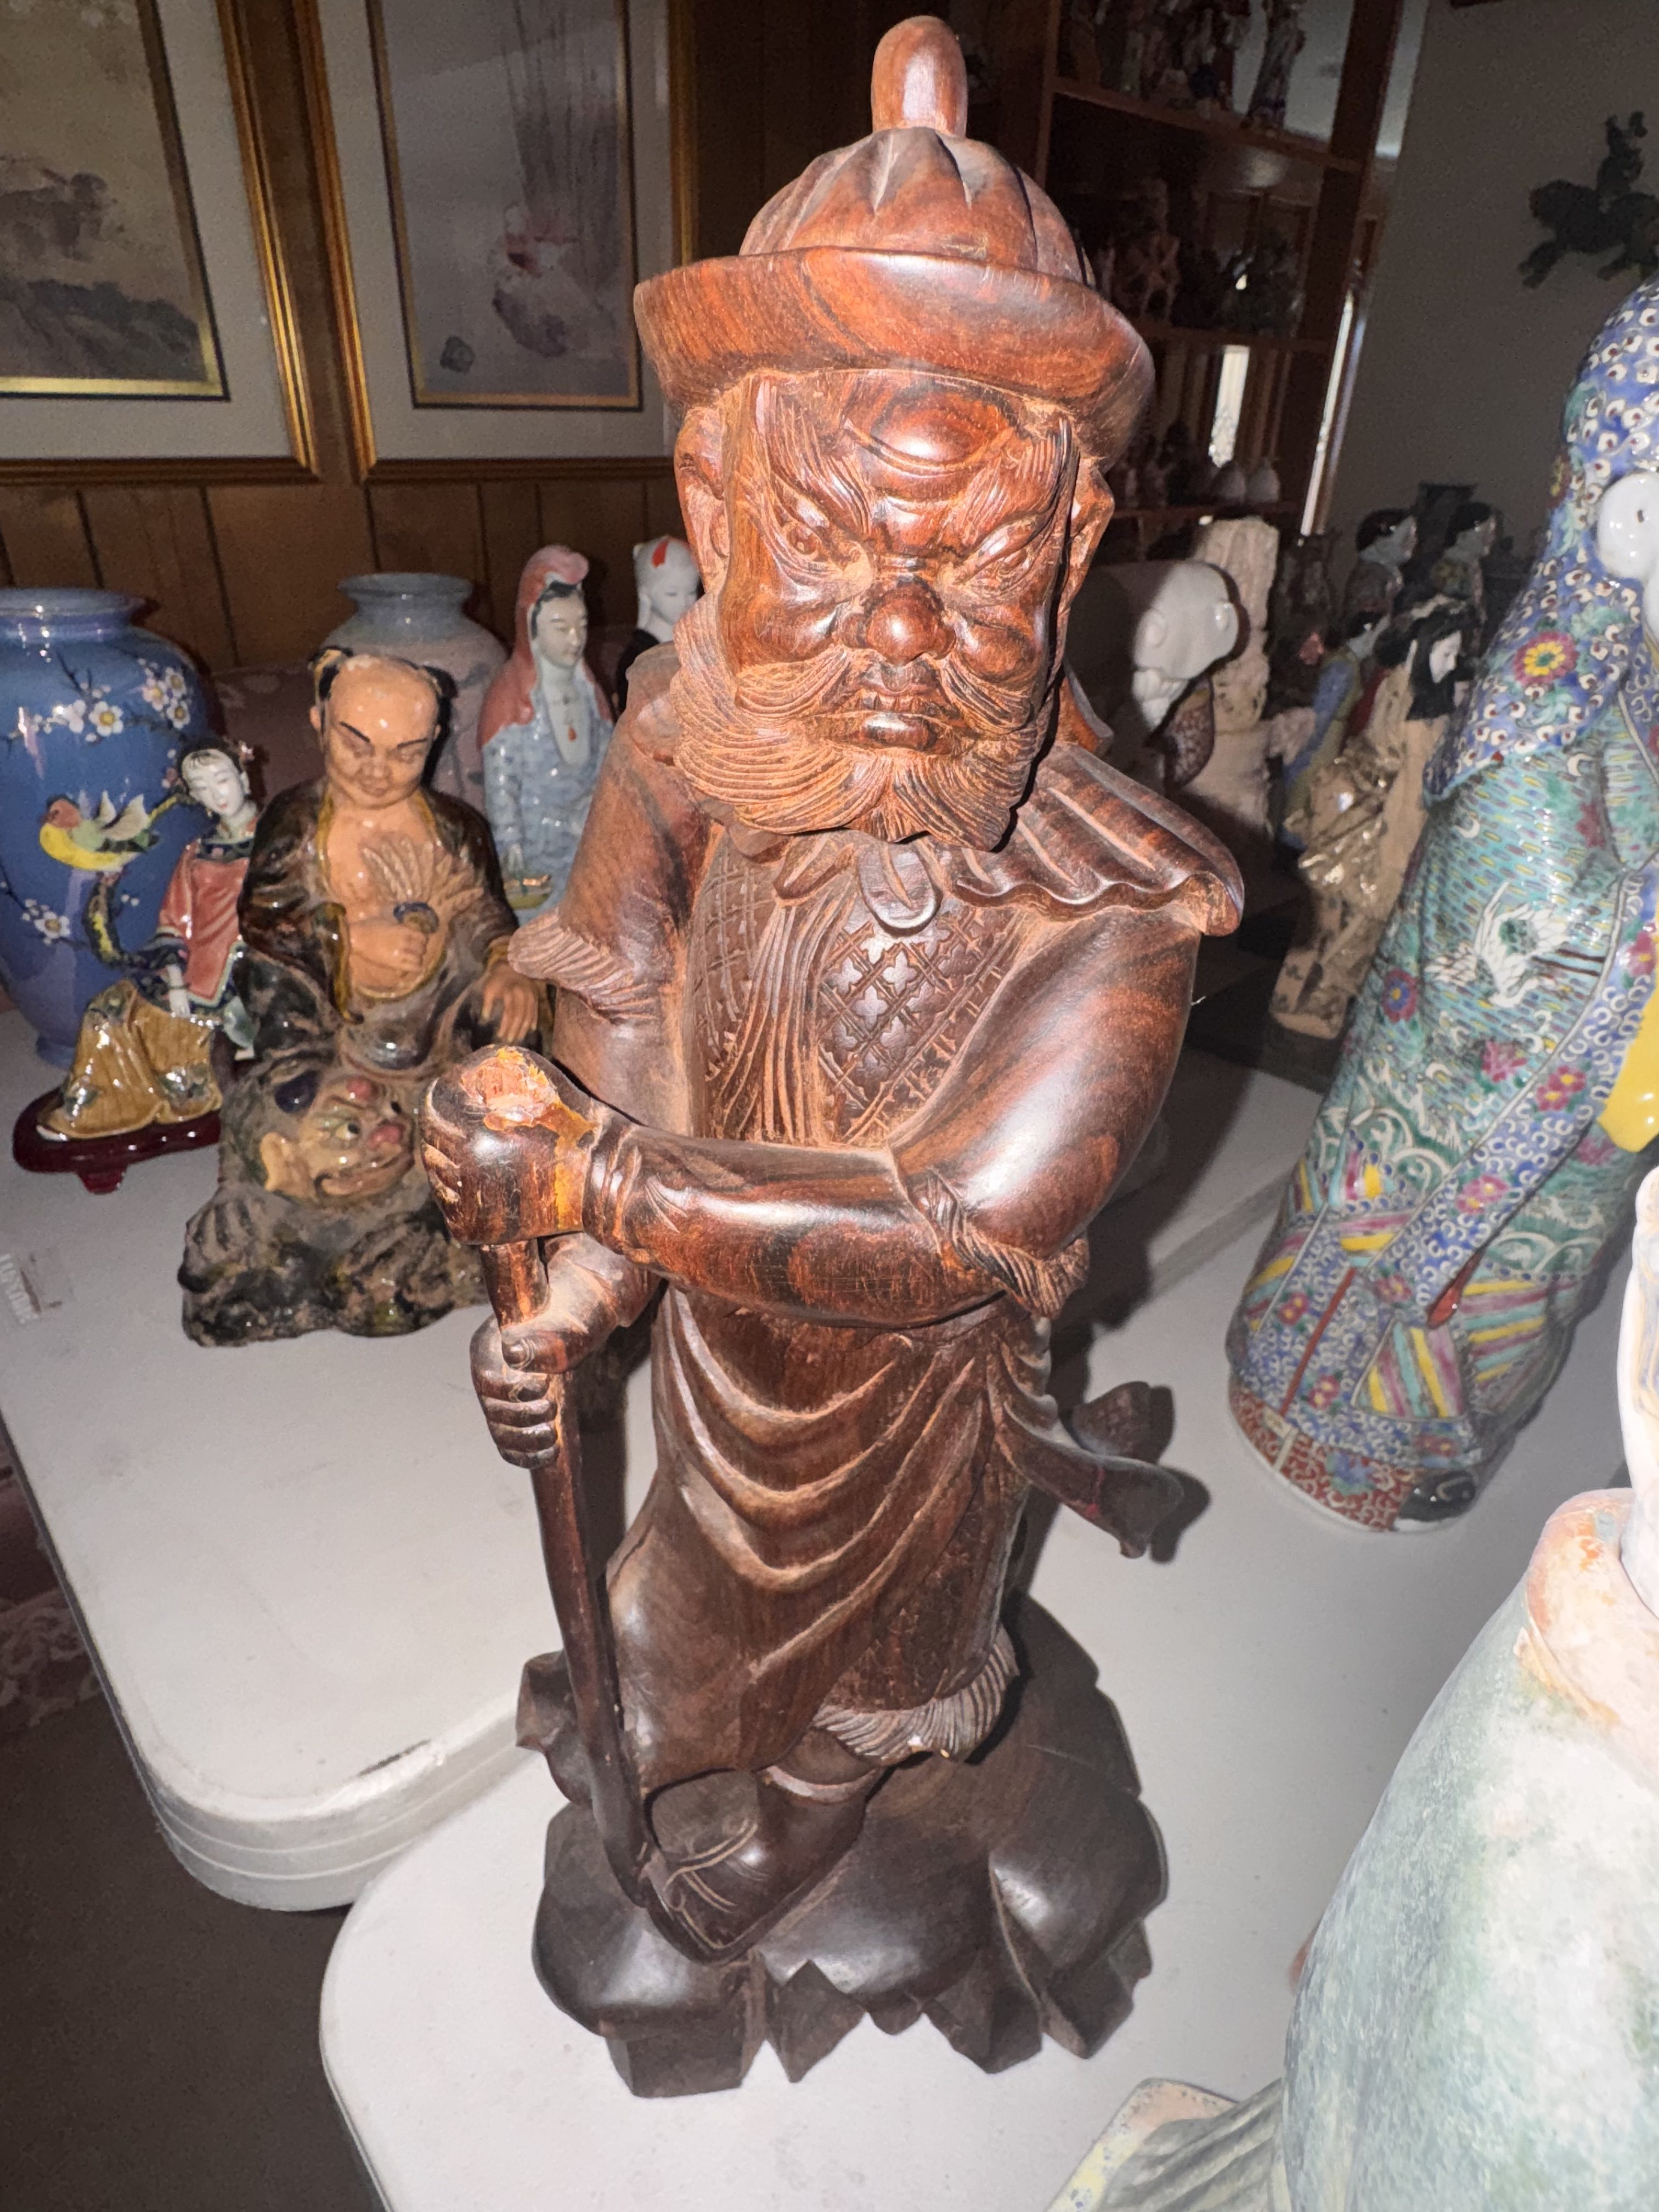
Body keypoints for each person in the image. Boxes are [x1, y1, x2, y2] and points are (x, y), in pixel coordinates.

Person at [427, 23, 1242, 1965]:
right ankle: (707, 1721)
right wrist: (578, 1294)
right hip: (720, 1367)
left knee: (893, 1657)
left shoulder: (1123, 899)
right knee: (665, 1631)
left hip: (919, 1407)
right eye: (829, 546)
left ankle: (823, 1803)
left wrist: (602, 1196)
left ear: (1072, 549)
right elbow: (622, 1024)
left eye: (973, 567)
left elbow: (960, 1226)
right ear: (714, 512)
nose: (897, 630)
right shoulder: (682, 746)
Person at [1231, 275, 1659, 1527]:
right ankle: (1329, 1426)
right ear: (1627, 516)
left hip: (1595, 1112)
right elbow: (1520, 921)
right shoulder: (1546, 706)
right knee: (1420, 1265)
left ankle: (1425, 1440)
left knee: (1534, 1276)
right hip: (1467, 1097)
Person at [180, 650, 538, 1345]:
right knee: (272, 993)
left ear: (435, 741)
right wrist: (348, 939)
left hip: (440, 1019)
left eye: (407, 752)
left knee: (515, 1027)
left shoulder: (454, 827)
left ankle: (470, 1170)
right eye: (358, 745)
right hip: (333, 1028)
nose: (379, 771)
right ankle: (332, 1145)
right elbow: (267, 920)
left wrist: (505, 965)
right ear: (319, 722)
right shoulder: (295, 822)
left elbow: (487, 915)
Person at [43, 744, 258, 1139]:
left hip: (241, 971)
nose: (217, 794)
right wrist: (174, 978)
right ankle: (97, 1108)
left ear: (243, 778)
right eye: (202, 787)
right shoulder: (198, 851)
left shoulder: (274, 841)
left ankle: (143, 1104)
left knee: (153, 1025)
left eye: (223, 780)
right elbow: (173, 921)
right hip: (191, 966)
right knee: (107, 1009)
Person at [477, 547, 614, 915]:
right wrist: (511, 846)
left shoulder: (589, 691)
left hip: (589, 838)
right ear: (532, 628)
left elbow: (609, 759)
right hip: (538, 850)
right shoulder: (511, 699)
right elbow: (501, 785)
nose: (575, 638)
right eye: (560, 627)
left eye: (581, 625)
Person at [612, 534, 701, 714]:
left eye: (691, 592)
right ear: (646, 595)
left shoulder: (697, 644)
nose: (685, 603)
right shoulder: (638, 658)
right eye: (672, 594)